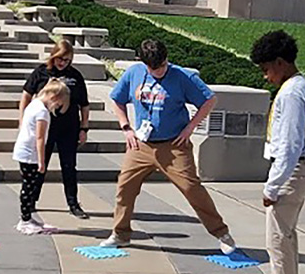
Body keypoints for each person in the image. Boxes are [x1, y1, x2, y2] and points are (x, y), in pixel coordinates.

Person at [101, 39, 236, 254]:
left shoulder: (183, 76)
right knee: (125, 187)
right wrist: (126, 127)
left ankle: (222, 233)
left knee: (191, 187)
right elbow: (117, 99)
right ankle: (120, 234)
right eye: (154, 68)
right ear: (144, 64)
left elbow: (209, 100)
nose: (159, 71)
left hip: (174, 145)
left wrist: (190, 128)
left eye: (162, 65)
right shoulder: (134, 73)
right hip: (141, 144)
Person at [249, 30, 305, 274]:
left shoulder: (290, 94)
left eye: (267, 69)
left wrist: (272, 187)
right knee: (286, 238)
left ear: (280, 62)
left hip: (293, 172)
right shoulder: (301, 85)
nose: (266, 76)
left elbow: (289, 147)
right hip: (303, 167)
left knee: (277, 242)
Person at [20, 39, 91, 219]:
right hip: (45, 126)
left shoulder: (75, 76)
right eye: (60, 59)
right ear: (54, 56)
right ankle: (32, 200)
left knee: (69, 166)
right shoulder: (41, 72)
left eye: (67, 60)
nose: (62, 63)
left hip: (69, 127)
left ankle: (73, 203)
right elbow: (26, 96)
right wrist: (22, 121)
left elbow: (84, 104)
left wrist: (84, 128)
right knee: (39, 164)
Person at [13, 79, 71, 235]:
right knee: (29, 187)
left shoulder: (34, 104)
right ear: (54, 97)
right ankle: (24, 220)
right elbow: (40, 138)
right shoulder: (42, 112)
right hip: (29, 152)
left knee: (29, 185)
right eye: (59, 104)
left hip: (24, 150)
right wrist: (41, 161)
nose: (57, 107)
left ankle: (27, 218)